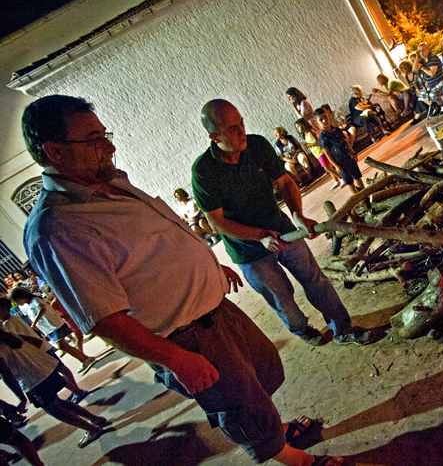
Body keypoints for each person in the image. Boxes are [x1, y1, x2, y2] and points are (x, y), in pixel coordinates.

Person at [22, 95, 342, 465]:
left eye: (105, 135)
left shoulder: (111, 186)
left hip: (215, 311)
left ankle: (276, 430)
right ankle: (296, 460)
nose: (109, 147)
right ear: (55, 151)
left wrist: (208, 265)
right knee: (238, 405)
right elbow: (103, 319)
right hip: (186, 337)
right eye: (94, 140)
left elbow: (157, 244)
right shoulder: (58, 227)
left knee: (261, 375)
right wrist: (176, 359)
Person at [193, 99, 372, 351]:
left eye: (241, 123)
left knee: (315, 279)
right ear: (214, 137)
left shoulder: (257, 145)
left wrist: (297, 215)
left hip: (282, 229)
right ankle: (302, 329)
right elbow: (216, 221)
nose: (242, 132)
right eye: (233, 129)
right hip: (249, 250)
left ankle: (342, 329)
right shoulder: (203, 171)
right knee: (282, 298)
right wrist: (260, 236)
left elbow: (285, 182)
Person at [0, 329, 110, 448]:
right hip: (43, 370)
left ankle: (92, 429)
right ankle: (95, 419)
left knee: (54, 410)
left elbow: (6, 374)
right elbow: (38, 342)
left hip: (32, 380)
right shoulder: (10, 334)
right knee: (59, 403)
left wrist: (21, 398)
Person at [0, 297, 90, 404]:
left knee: (55, 372)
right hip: (42, 347)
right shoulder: (14, 318)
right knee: (59, 370)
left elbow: (15, 338)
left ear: (4, 310)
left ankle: (77, 392)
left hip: (38, 350)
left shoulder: (8, 324)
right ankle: (76, 391)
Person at [8, 288, 96, 375]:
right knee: (64, 346)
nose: (16, 303)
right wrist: (37, 325)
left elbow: (43, 309)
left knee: (62, 346)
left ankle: (84, 359)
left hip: (54, 325)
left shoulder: (35, 300)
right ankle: (85, 358)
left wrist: (34, 324)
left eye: (15, 301)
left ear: (18, 298)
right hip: (48, 329)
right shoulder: (27, 306)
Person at [315, 108, 365, 195]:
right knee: (349, 181)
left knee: (357, 176)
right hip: (340, 162)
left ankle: (365, 194)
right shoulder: (323, 138)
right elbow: (327, 153)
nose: (324, 121)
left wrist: (352, 152)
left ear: (328, 116)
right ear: (317, 123)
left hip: (349, 157)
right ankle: (357, 197)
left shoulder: (337, 130)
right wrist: (336, 165)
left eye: (325, 117)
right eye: (321, 120)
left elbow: (345, 142)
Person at [295, 118, 343, 190]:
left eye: (298, 126)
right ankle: (336, 180)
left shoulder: (310, 132)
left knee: (327, 168)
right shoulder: (306, 135)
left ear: (303, 125)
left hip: (321, 152)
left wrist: (307, 145)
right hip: (317, 153)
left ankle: (341, 178)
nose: (298, 129)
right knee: (328, 168)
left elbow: (316, 141)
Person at [415, 42, 443, 115]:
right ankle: (439, 105)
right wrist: (417, 57)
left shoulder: (432, 58)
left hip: (441, 81)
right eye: (419, 51)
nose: (421, 52)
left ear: (428, 49)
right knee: (421, 95)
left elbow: (432, 73)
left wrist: (423, 68)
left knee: (433, 94)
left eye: (423, 50)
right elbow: (414, 69)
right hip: (431, 84)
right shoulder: (423, 61)